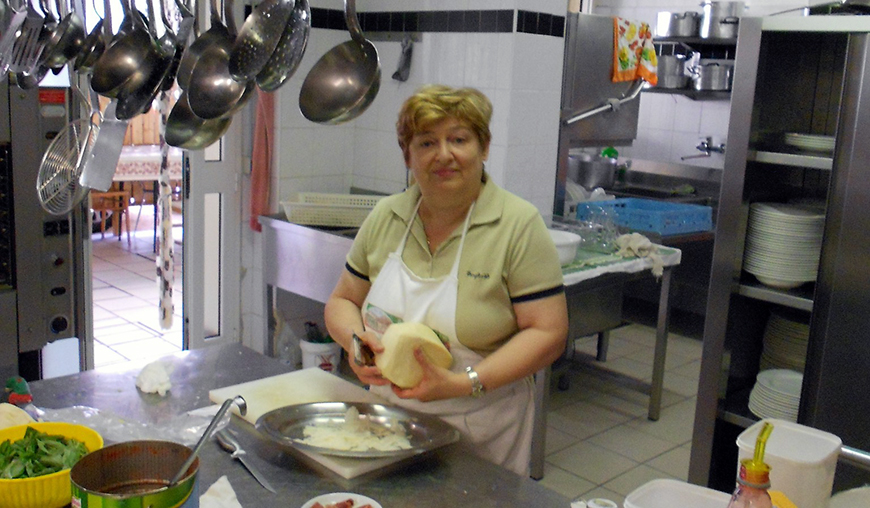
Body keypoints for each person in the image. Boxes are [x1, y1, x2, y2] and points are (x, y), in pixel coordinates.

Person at [324, 85, 568, 476]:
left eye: (458, 139)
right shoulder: (387, 216)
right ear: (408, 155)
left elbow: (549, 331)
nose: (444, 155)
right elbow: (342, 301)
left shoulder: (517, 224)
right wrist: (357, 344)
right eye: (426, 143)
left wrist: (461, 383)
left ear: (483, 148)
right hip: (386, 421)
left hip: (480, 428)